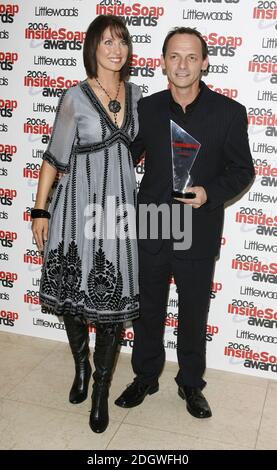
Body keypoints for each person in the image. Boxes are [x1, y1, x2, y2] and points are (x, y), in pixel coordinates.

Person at [115, 27, 255, 418]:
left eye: (192, 57)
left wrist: (209, 193)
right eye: (175, 56)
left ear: (205, 62)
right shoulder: (148, 109)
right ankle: (145, 376)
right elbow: (126, 158)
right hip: (153, 224)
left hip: (198, 226)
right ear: (162, 62)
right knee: (147, 311)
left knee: (193, 313)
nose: (183, 64)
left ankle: (191, 384)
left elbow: (242, 170)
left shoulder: (229, 113)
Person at [31, 15, 142, 433]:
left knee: (112, 309)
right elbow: (54, 156)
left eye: (123, 42)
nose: (116, 49)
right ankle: (81, 364)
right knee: (72, 296)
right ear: (92, 48)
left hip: (117, 217)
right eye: (107, 42)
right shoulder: (74, 97)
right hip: (76, 209)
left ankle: (100, 389)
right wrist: (40, 211)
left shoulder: (137, 95)